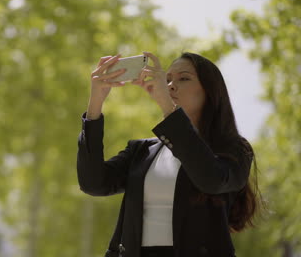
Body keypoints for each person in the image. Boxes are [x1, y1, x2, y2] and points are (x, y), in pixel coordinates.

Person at [77, 52, 262, 257]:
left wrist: (168, 107)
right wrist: (95, 104)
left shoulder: (235, 149)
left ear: (210, 91)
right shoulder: (141, 152)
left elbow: (211, 180)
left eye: (183, 78)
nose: (171, 85)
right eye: (167, 80)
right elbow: (93, 183)